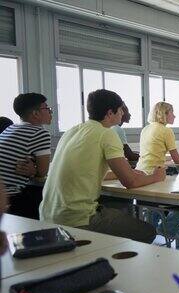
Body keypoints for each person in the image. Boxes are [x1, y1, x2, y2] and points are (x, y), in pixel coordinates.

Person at [0, 181, 179, 293]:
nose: (5, 237)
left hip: (60, 217)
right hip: (82, 218)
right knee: (145, 232)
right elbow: (131, 179)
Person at [40, 89, 165, 243]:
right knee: (147, 232)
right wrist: (156, 176)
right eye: (120, 110)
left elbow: (87, 171)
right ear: (110, 113)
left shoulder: (72, 131)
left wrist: (130, 172)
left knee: (116, 206)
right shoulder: (107, 134)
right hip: (77, 218)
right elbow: (130, 183)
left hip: (47, 215)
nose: (122, 114)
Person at [136, 102, 179, 239]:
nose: (174, 116)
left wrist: (171, 158)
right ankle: (167, 230)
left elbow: (152, 153)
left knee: (151, 205)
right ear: (165, 114)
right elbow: (177, 160)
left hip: (140, 173)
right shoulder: (166, 131)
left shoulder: (146, 129)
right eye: (172, 112)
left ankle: (150, 232)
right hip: (155, 175)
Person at [0, 94, 52, 220]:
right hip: (11, 199)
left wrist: (33, 170)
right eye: (47, 108)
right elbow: (42, 172)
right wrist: (35, 171)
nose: (51, 112)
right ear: (35, 113)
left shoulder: (9, 129)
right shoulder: (40, 133)